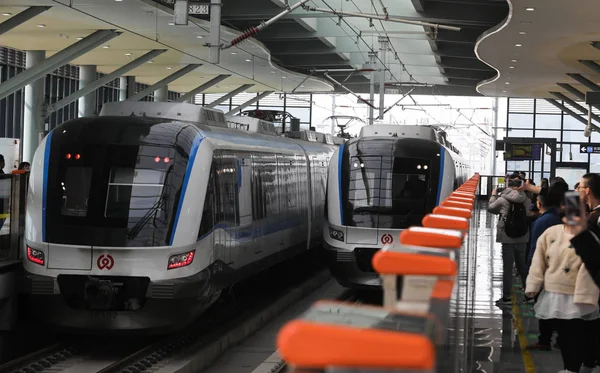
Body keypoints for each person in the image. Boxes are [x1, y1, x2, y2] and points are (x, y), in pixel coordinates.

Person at [526, 209, 600, 373]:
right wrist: (533, 285)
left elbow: (589, 269)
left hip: (582, 295)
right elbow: (539, 261)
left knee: (583, 334)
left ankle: (582, 366)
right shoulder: (551, 234)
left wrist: (583, 296)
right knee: (567, 333)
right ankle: (573, 367)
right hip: (557, 293)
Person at [525, 192, 563, 350]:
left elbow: (536, 250)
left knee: (544, 307)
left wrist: (531, 273)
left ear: (539, 203)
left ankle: (545, 340)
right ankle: (558, 339)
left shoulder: (543, 222)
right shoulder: (558, 217)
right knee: (557, 306)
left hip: (546, 270)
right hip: (559, 268)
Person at [488, 172, 531, 305]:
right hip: (522, 236)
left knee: (507, 268)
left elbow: (491, 208)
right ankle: (529, 295)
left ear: (508, 184)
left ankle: (506, 297)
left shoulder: (502, 199)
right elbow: (528, 213)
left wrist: (494, 194)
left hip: (507, 237)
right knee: (522, 267)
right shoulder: (526, 199)